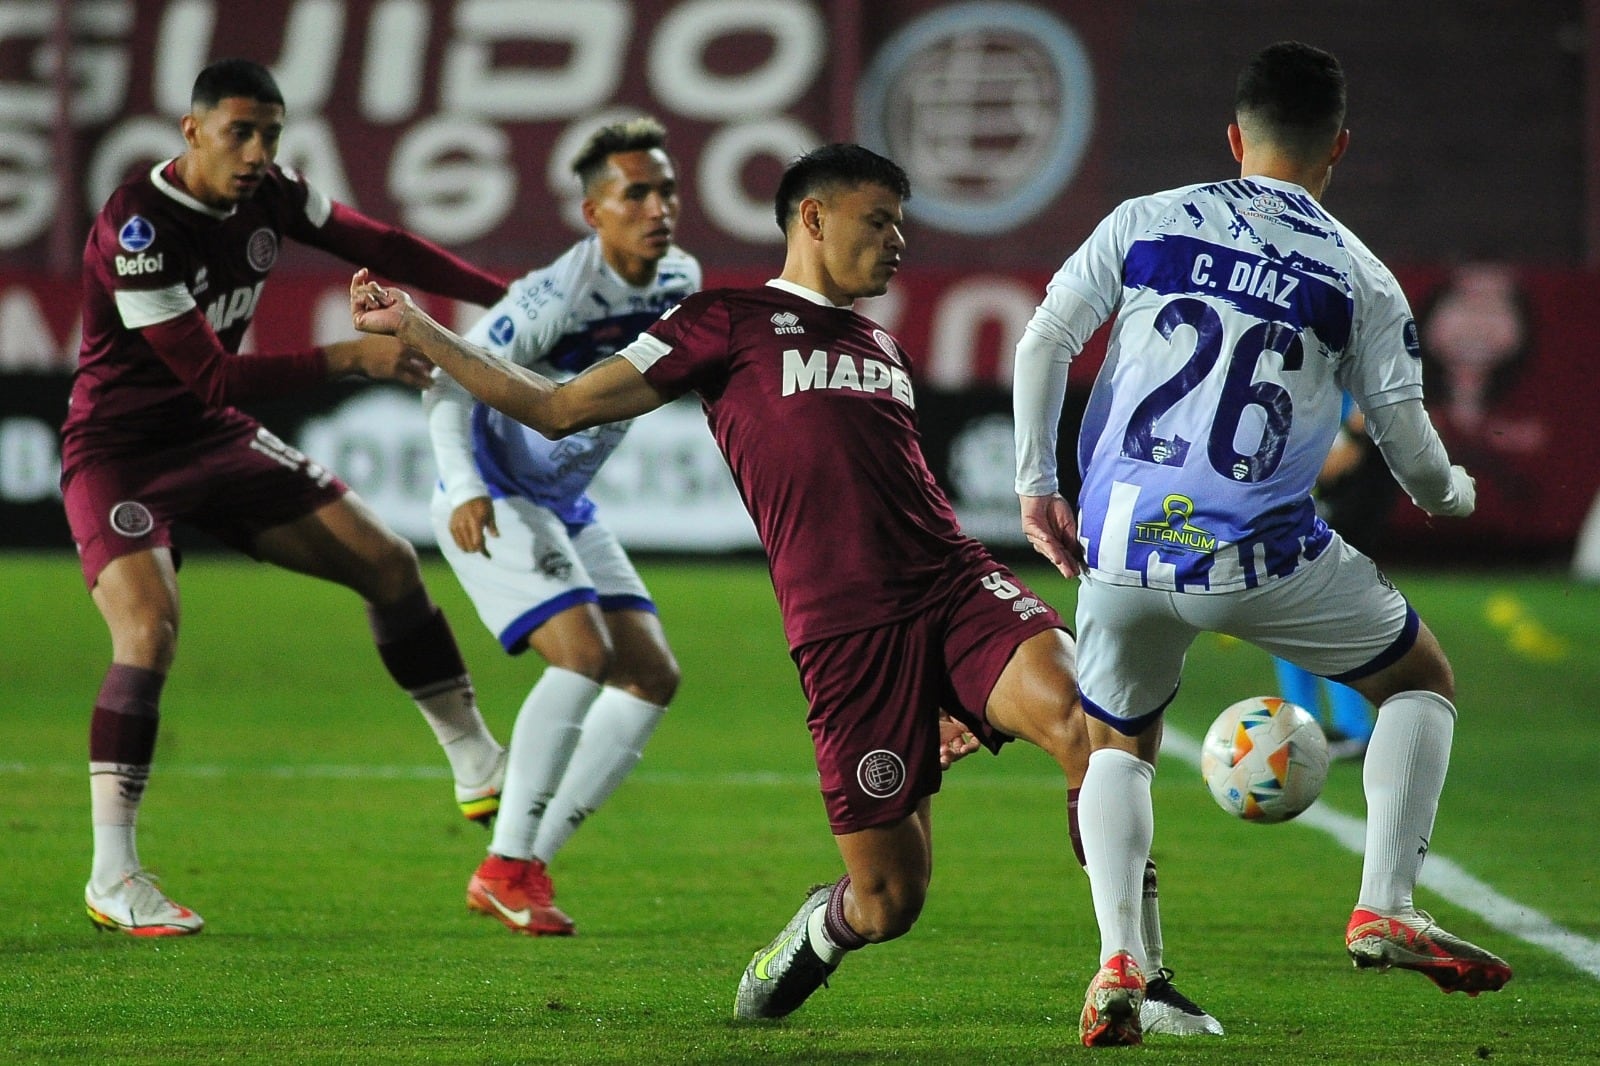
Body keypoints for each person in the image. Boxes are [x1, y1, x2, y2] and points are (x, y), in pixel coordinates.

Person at [350, 143, 1221, 1036]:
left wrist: (950, 679)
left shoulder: (881, 344)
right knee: (889, 901)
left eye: (901, 224)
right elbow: (558, 406)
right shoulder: (724, 321)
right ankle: (816, 934)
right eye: (879, 220)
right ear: (813, 217)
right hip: (847, 634)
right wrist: (418, 330)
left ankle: (1138, 978)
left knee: (1090, 725)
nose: (898, 241)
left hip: (955, 583)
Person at [1011, 41, 1512, 1047]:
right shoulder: (1359, 275)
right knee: (1418, 679)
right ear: (1339, 147)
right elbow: (1408, 446)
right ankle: (1385, 903)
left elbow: (1044, 340)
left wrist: (1037, 487)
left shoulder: (1146, 220)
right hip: (1255, 554)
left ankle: (1120, 959)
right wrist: (1451, 495)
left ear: (1235, 138)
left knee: (1116, 744)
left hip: (1121, 545)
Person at [63, 58, 511, 937]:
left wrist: (514, 299)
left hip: (214, 438)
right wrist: (354, 357)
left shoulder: (272, 192)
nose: (257, 152)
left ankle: (477, 760)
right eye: (240, 133)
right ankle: (113, 875)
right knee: (148, 631)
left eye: (270, 134)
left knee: (388, 563)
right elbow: (210, 373)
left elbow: (384, 244)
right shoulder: (138, 225)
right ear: (192, 131)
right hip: (121, 454)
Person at [424, 116, 700, 937]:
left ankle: (522, 863)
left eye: (666, 190)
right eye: (636, 194)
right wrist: (465, 486)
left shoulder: (680, 278)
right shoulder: (554, 296)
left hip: (564, 502)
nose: (659, 207)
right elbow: (448, 378)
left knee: (651, 676)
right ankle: (507, 866)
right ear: (594, 212)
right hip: (495, 491)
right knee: (584, 656)